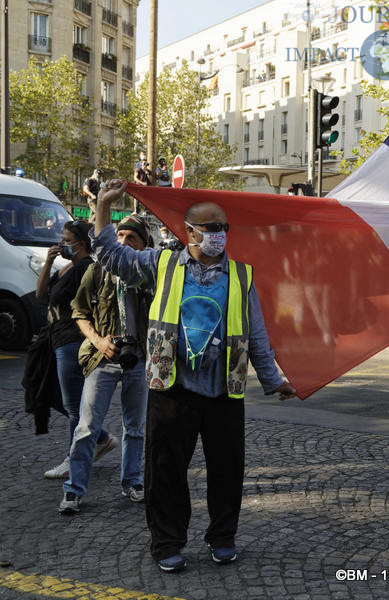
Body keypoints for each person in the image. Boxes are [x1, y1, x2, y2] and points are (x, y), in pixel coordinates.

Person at [92, 180, 296, 573]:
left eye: (223, 228)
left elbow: (256, 334)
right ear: (189, 232)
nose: (219, 234)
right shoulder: (161, 264)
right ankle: (167, 542)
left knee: (227, 470)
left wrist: (273, 381)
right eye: (211, 227)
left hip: (224, 390)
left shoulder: (240, 276)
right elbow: (111, 256)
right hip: (172, 387)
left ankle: (223, 538)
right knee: (165, 470)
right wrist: (102, 207)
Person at [59, 215, 153, 515]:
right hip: (102, 357)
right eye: (120, 235)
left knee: (135, 428)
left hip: (139, 358)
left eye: (131, 238)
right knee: (87, 427)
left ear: (144, 246)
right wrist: (99, 342)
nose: (123, 242)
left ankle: (132, 482)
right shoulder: (97, 270)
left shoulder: (151, 274)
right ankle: (74, 489)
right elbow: (79, 312)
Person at [38, 220, 116, 479]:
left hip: (72, 341)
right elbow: (41, 295)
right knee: (52, 395)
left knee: (73, 406)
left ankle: (75, 459)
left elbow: (86, 307)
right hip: (56, 339)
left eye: (66, 240)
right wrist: (48, 263)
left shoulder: (85, 268)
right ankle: (100, 437)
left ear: (80, 244)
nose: (61, 243)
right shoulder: (67, 267)